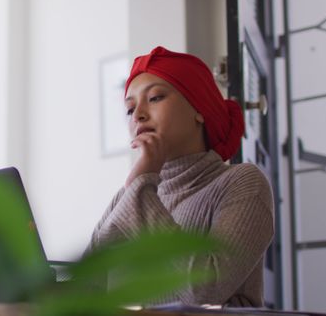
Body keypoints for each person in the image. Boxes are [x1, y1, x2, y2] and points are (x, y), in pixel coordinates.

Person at [86, 46, 275, 307]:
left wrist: (141, 185)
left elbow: (205, 290)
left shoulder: (242, 182)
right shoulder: (134, 190)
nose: (138, 114)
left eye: (154, 98)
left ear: (199, 109)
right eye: (130, 110)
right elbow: (88, 286)